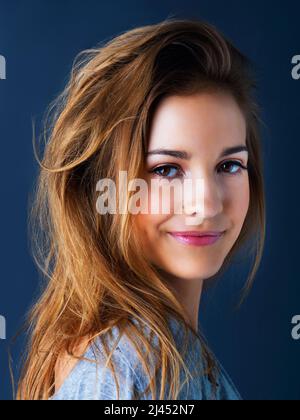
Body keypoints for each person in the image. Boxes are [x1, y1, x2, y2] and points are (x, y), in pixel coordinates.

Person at [17, 17, 265, 400]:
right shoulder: (130, 366)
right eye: (166, 169)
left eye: (229, 165)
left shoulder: (160, 358)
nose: (208, 202)